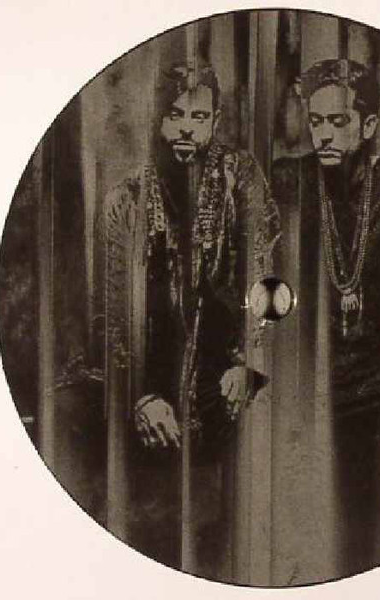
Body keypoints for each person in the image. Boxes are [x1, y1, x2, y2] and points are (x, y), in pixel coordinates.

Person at [271, 58, 380, 576]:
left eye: (338, 121)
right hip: (313, 374)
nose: (324, 134)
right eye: (316, 121)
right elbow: (265, 279)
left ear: (368, 125)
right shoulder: (290, 179)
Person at [104, 62, 280, 573]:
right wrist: (141, 394)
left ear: (216, 120)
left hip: (227, 366)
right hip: (155, 375)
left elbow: (266, 279)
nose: (186, 128)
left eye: (199, 117)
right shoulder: (127, 199)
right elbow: (112, 313)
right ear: (157, 119)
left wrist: (250, 362)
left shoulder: (241, 178)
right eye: (175, 115)